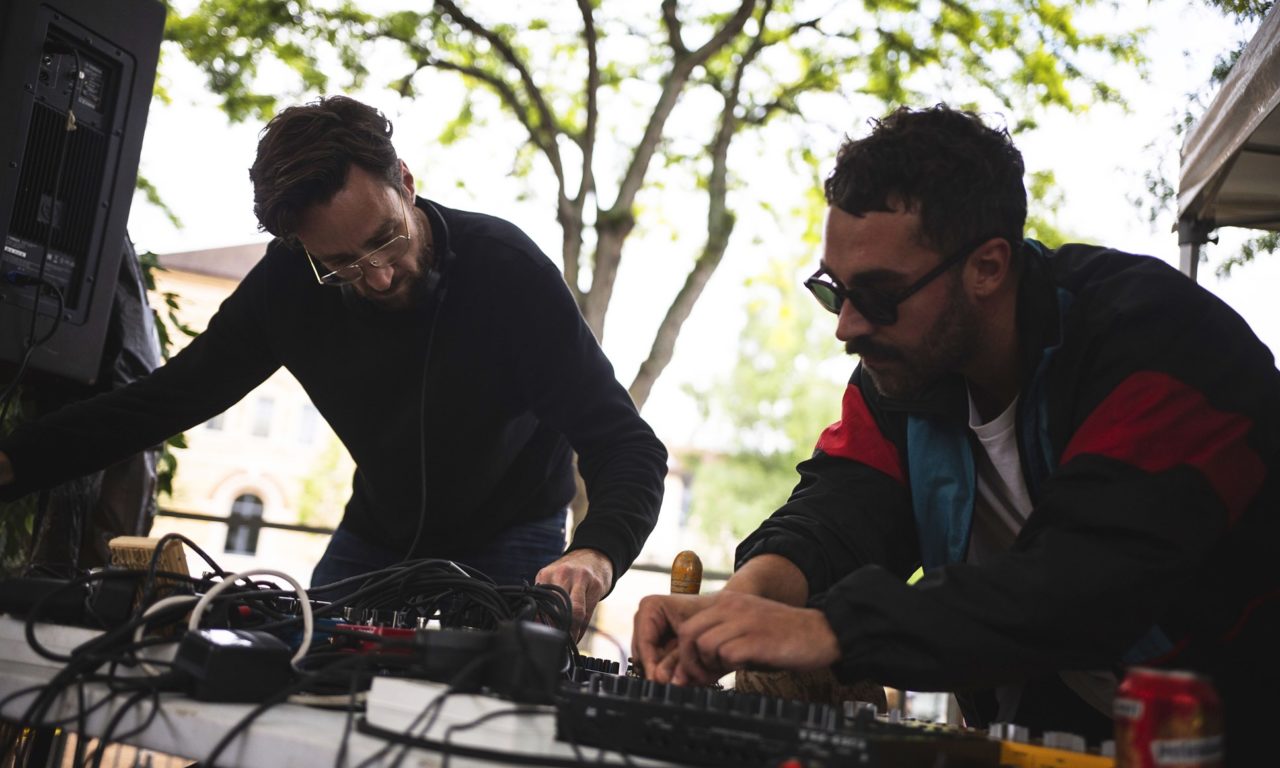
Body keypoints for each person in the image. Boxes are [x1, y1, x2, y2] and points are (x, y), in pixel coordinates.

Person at [633, 105, 1278, 755]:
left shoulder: (1155, 344)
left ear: (988, 268)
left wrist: (828, 630)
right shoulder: (903, 373)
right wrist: (738, 606)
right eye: (836, 291)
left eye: (878, 295)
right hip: (1064, 727)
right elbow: (840, 509)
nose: (847, 327)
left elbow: (1081, 585)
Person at [0, 95, 668, 630]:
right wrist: (15, 460)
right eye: (341, 264)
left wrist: (596, 551)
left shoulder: (508, 271)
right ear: (300, 247)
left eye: (386, 239)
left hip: (514, 533)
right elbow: (163, 401)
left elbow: (624, 442)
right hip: (377, 535)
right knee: (301, 680)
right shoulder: (286, 286)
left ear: (405, 182)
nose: (377, 276)